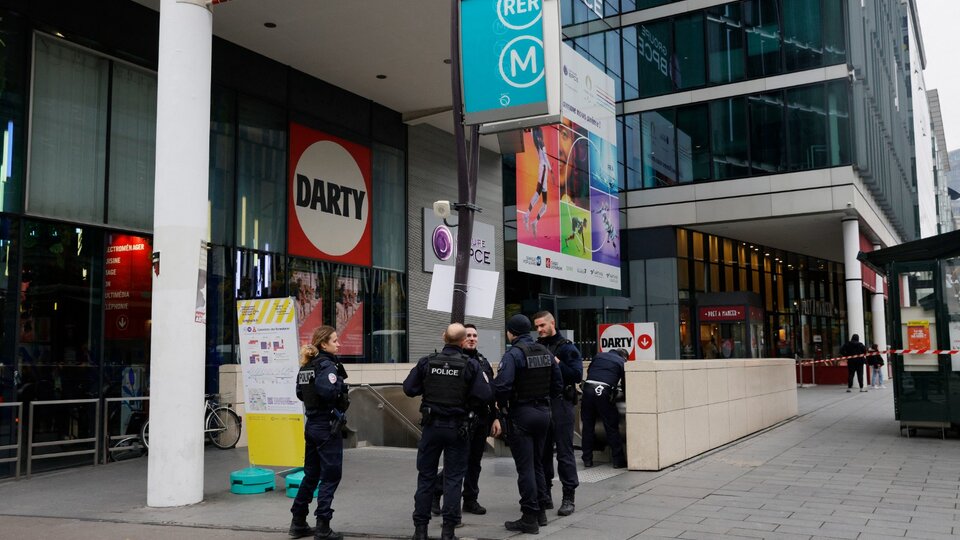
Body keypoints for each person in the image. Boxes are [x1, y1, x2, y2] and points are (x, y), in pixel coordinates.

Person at [404, 323, 493, 540]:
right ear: (463, 341)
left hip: (432, 427)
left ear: (444, 337)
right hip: (458, 428)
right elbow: (485, 395)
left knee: (425, 478)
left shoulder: (427, 362)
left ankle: (421, 530)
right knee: (454, 479)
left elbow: (409, 388)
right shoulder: (471, 365)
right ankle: (448, 531)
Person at [494, 314, 563, 534]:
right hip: (544, 413)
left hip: (522, 414)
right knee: (538, 464)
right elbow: (558, 384)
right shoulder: (545, 352)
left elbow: (503, 386)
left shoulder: (514, 354)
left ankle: (529, 517)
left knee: (525, 468)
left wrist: (503, 407)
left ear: (511, 333)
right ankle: (541, 511)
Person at [429, 324, 500, 520]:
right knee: (457, 462)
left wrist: (495, 417)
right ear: (461, 339)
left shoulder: (482, 361)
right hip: (460, 420)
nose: (472, 338)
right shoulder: (455, 360)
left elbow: (490, 392)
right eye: (468, 335)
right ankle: (437, 492)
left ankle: (470, 498)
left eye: (475, 335)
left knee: (474, 462)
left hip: (480, 419)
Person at [290, 326, 350, 540]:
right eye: (335, 340)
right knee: (331, 476)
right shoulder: (327, 365)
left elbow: (300, 393)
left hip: (312, 425)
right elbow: (328, 390)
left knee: (312, 474)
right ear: (323, 344)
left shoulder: (307, 366)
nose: (338, 344)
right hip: (326, 426)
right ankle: (323, 527)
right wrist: (340, 390)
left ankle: (298, 521)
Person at [532, 310, 582, 516]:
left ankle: (568, 497)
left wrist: (556, 362)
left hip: (561, 403)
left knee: (564, 452)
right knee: (542, 452)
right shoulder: (536, 347)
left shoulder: (567, 348)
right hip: (542, 403)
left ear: (552, 323)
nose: (539, 330)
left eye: (542, 325)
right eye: (536, 327)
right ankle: (545, 496)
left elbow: (576, 374)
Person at [580, 348, 627, 469]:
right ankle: (618, 460)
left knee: (588, 426)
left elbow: (590, 371)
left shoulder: (599, 356)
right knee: (611, 426)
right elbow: (625, 383)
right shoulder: (621, 362)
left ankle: (587, 459)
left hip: (588, 389)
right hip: (604, 392)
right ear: (624, 356)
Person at [523, 126, 551, 237]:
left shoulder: (535, 137)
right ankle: (527, 214)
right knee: (538, 193)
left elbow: (528, 130)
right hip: (543, 168)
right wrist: (551, 169)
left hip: (543, 169)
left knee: (545, 205)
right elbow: (545, 157)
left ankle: (534, 221)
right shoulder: (540, 142)